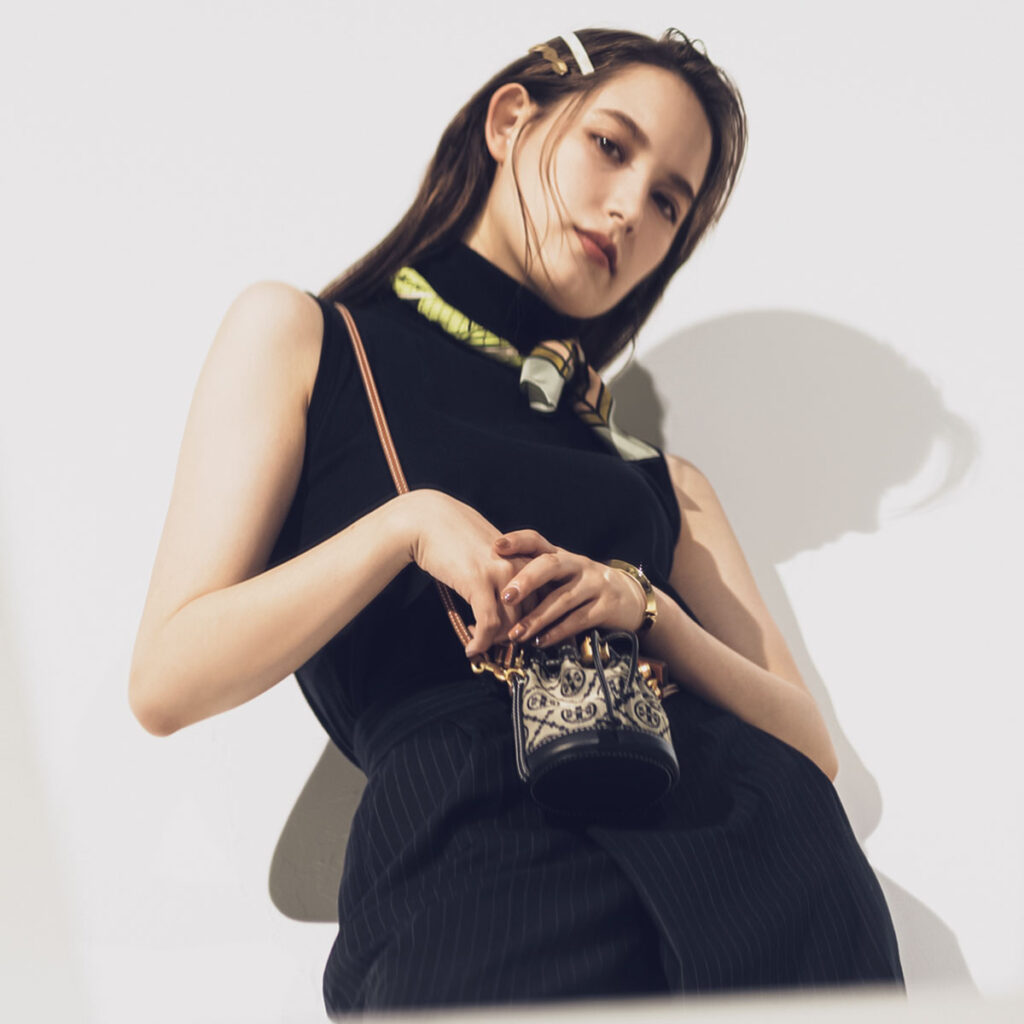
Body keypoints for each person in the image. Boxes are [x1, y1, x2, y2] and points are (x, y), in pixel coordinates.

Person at [129, 27, 904, 1016]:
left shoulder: (661, 478)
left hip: (765, 869)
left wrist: (643, 605)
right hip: (472, 857)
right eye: (611, 146)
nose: (629, 208)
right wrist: (404, 527)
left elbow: (809, 748)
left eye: (668, 202)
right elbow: (166, 679)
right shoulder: (309, 339)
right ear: (510, 120)